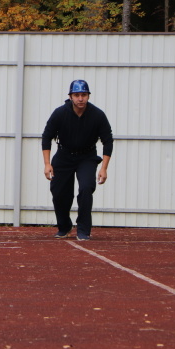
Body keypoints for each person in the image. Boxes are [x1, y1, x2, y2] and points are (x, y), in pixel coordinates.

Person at [41, 80, 113, 241]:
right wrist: (47, 164)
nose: (80, 98)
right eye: (77, 95)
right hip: (63, 155)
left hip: (87, 157)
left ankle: (83, 229)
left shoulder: (98, 115)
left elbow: (108, 141)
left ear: (88, 96)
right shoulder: (60, 113)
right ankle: (64, 227)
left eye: (84, 95)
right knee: (59, 193)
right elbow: (46, 137)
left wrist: (104, 168)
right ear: (70, 97)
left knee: (86, 188)